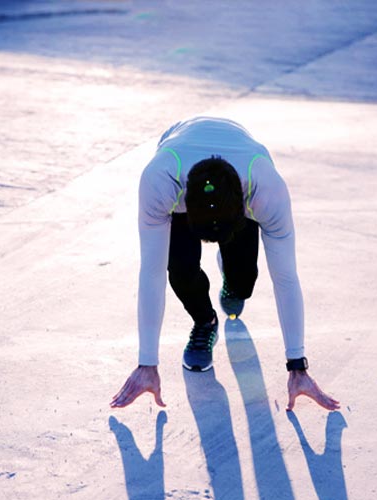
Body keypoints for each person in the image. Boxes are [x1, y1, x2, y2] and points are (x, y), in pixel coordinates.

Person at [110, 117, 339, 411]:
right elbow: (151, 273)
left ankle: (233, 280)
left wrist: (298, 367)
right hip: (184, 171)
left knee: (244, 279)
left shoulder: (266, 189)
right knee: (179, 269)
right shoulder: (161, 181)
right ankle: (205, 321)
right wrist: (147, 364)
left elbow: (286, 278)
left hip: (237, 180)